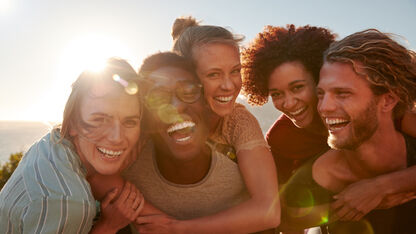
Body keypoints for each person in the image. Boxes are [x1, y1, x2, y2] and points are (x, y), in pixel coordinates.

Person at [241, 24, 416, 227]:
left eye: (297, 88)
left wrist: (380, 188)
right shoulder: (281, 138)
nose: (288, 103)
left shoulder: (385, 111)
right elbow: (281, 212)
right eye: (277, 94)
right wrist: (352, 204)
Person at [121, 51, 279, 234]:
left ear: (207, 103)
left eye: (188, 92)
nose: (177, 106)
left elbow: (269, 213)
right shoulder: (130, 163)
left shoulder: (239, 174)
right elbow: (98, 178)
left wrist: (176, 229)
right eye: (158, 98)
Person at [0, 58, 144, 233]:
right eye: (99, 120)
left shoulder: (53, 143)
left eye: (130, 122)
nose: (117, 138)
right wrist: (108, 226)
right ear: (73, 122)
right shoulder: (68, 202)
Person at [169, 17, 280, 233]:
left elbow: (269, 210)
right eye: (213, 74)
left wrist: (179, 228)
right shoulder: (156, 116)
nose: (229, 86)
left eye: (235, 71)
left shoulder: (239, 121)